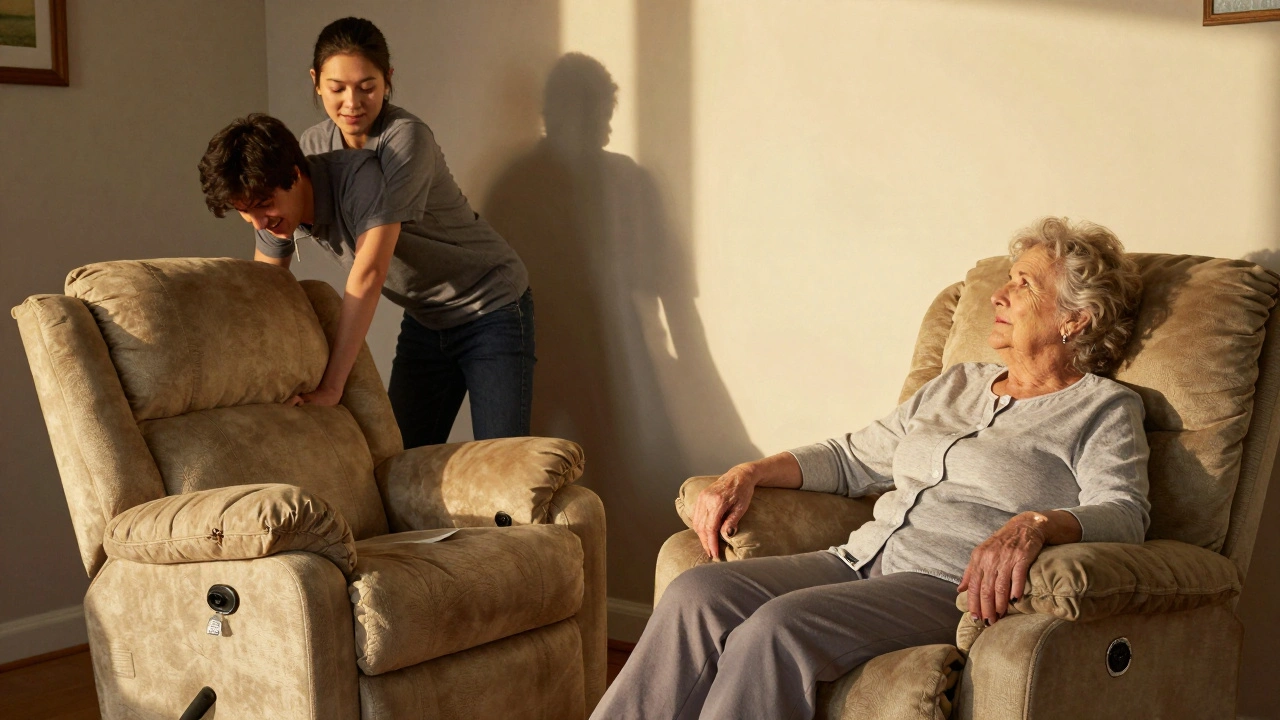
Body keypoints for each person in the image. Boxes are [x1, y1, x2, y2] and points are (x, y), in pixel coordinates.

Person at [593, 217, 1149, 720]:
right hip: (858, 559)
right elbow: (852, 457)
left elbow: (1125, 512)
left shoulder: (1102, 407)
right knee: (698, 594)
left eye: (1024, 284)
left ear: (1076, 318)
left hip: (945, 585)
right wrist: (751, 472)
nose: (1000, 295)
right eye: (1007, 279)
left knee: (775, 631)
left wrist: (1038, 524)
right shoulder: (956, 384)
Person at [227, 16, 532, 447]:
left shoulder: (404, 141)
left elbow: (369, 271)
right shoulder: (311, 148)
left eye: (366, 86)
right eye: (337, 88)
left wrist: (333, 386)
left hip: (490, 306)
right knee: (400, 460)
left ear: (388, 81)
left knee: (506, 463)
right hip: (425, 318)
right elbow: (267, 274)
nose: (352, 103)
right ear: (316, 82)